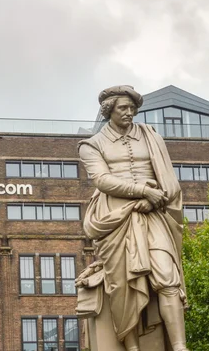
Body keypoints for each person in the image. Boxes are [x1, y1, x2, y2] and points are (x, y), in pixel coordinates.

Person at [77, 85, 188, 351]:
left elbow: (168, 178)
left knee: (167, 276)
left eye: (132, 108)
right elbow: (103, 180)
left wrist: (156, 198)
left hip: (153, 216)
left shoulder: (151, 136)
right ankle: (132, 347)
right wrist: (142, 192)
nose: (129, 113)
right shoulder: (91, 145)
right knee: (122, 286)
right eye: (122, 108)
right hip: (115, 219)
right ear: (108, 111)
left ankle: (180, 346)